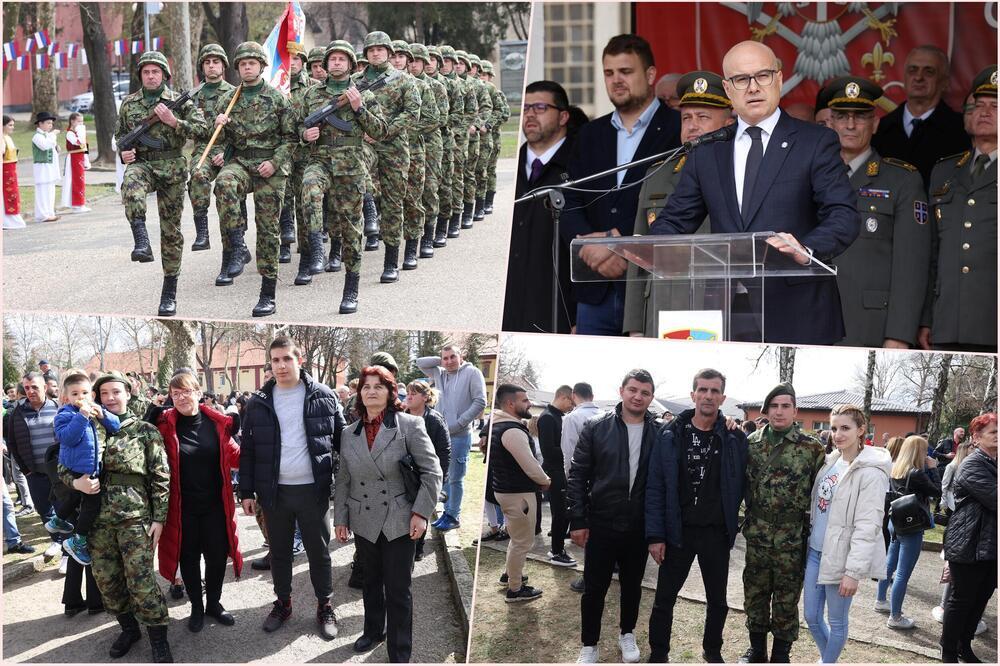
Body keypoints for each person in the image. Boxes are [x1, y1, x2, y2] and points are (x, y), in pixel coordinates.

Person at [650, 40, 858, 344]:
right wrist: (648, 245)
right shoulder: (708, 150)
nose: (753, 87)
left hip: (798, 311)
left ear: (779, 79)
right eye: (741, 79)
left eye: (762, 76)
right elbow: (676, 220)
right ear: (728, 88)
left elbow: (843, 216)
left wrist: (805, 250)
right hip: (726, 314)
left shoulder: (815, 142)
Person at [560, 34, 682, 335]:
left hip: (650, 286)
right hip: (595, 286)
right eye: (609, 73)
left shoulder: (678, 128)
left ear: (650, 75)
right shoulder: (590, 134)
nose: (616, 81)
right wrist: (589, 245)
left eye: (626, 72)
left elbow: (681, 201)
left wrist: (620, 242)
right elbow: (570, 200)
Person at [334, 365, 442, 662]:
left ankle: (399, 650)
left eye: (379, 386)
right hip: (363, 517)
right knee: (370, 581)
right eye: (366, 386)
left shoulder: (409, 425)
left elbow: (432, 472)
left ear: (391, 391)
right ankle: (373, 631)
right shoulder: (348, 432)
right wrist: (340, 518)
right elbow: (344, 478)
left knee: (397, 588)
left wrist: (421, 512)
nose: (371, 391)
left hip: (400, 519)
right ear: (359, 393)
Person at [239, 336, 345, 638]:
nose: (281, 365)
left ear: (300, 360)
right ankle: (283, 603)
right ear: (270, 365)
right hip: (275, 493)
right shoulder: (258, 402)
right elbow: (248, 451)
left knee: (319, 552)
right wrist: (246, 492)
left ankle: (325, 605)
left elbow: (344, 443)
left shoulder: (324, 396)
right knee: (281, 552)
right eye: (275, 360)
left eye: (287, 358)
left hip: (314, 491)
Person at [63, 371, 172, 661]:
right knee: (108, 581)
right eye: (104, 393)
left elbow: (161, 476)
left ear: (127, 394)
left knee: (141, 581)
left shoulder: (144, 431)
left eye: (116, 392)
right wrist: (76, 483)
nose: (110, 398)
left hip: (134, 519)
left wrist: (159, 518)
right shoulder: (85, 424)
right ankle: (129, 629)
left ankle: (158, 636)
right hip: (97, 522)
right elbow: (64, 465)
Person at [819, 76, 932, 349]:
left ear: (876, 123)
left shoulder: (901, 179)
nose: (850, 124)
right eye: (842, 116)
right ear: (830, 122)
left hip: (870, 323)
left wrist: (899, 335)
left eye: (860, 117)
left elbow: (912, 267)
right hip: (814, 318)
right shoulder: (810, 175)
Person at [646, 369, 749, 663]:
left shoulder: (734, 438)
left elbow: (743, 483)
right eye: (703, 390)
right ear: (693, 395)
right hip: (677, 532)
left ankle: (712, 651)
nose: (708, 395)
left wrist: (735, 523)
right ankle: (659, 653)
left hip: (715, 533)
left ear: (722, 398)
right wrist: (655, 535)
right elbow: (655, 485)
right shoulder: (670, 434)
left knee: (717, 601)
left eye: (715, 391)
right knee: (664, 599)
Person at [623, 70, 736, 337]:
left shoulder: (744, 173)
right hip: (662, 306)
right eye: (687, 117)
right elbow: (639, 256)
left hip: (720, 307)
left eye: (703, 117)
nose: (693, 126)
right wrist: (634, 327)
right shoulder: (657, 174)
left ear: (730, 123)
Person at [567, 369, 660, 664]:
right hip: (602, 522)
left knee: (633, 585)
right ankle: (589, 644)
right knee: (595, 587)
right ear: (621, 391)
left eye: (645, 392)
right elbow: (577, 475)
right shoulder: (596, 427)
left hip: (638, 525)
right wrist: (578, 520)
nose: (638, 396)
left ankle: (627, 633)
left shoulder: (659, 432)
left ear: (651, 398)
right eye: (633, 389)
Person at [298, 40, 388, 310]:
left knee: (352, 228)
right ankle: (316, 250)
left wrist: (359, 107)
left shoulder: (364, 94)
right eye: (332, 59)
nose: (336, 63)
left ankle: (351, 290)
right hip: (321, 159)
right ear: (325, 65)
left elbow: (381, 130)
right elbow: (296, 127)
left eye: (341, 59)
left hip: (351, 163)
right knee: (310, 187)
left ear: (350, 64)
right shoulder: (312, 95)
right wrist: (304, 136)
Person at [116, 51, 207, 318]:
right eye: (146, 72)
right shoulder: (129, 103)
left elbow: (202, 130)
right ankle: (141, 241)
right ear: (141, 75)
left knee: (171, 232)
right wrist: (124, 153)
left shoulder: (178, 101)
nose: (151, 76)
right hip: (142, 165)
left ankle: (169, 292)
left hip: (172, 169)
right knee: (130, 182)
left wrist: (173, 121)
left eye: (156, 71)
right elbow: (120, 135)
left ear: (165, 75)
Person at [739, 382, 825, 663]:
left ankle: (780, 655)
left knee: (787, 600)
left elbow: (822, 495)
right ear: (766, 410)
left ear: (795, 411)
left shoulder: (812, 448)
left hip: (792, 538)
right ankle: (757, 650)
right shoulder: (749, 444)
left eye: (785, 406)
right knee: (755, 594)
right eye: (774, 406)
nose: (779, 412)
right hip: (758, 535)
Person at [212, 42, 297, 318]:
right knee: (224, 183)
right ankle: (237, 245)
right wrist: (219, 127)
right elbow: (218, 143)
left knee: (268, 230)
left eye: (252, 63)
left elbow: (290, 139)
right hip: (240, 162)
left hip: (270, 165)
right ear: (237, 69)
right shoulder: (229, 100)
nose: (247, 68)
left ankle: (267, 295)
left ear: (261, 66)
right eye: (243, 64)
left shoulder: (277, 98)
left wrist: (274, 163)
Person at [803, 404, 891, 663]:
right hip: (816, 552)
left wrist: (853, 572)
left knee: (837, 622)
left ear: (861, 430)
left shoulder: (871, 472)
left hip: (842, 558)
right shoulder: (831, 462)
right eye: (833, 428)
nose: (838, 434)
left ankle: (827, 662)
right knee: (811, 617)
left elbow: (869, 525)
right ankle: (829, 659)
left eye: (845, 428)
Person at [154, 371, 241, 633]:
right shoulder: (165, 426)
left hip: (215, 506)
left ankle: (213, 603)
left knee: (216, 558)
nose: (181, 397)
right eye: (175, 393)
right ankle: (196, 607)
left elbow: (236, 457)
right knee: (189, 560)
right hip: (183, 510)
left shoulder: (216, 424)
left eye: (186, 391)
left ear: (198, 393)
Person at [919, 66, 997, 352]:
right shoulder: (944, 172)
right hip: (947, 317)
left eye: (996, 106)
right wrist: (926, 317)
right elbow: (932, 252)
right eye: (977, 106)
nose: (985, 112)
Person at [504, 80, 577, 334]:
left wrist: (579, 314)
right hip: (507, 306)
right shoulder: (510, 168)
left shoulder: (581, 164)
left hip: (556, 308)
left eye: (540, 107)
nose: (530, 115)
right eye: (525, 108)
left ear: (563, 116)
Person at [356, 31, 421, 280]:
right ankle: (370, 209)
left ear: (389, 53)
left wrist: (382, 132)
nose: (376, 53)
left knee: (394, 203)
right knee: (355, 170)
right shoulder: (355, 81)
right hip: (366, 144)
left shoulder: (403, 80)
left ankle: (391, 261)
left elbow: (411, 113)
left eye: (380, 49)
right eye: (371, 49)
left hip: (393, 146)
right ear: (366, 54)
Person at [940, 413, 997, 662]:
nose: (999, 436)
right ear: (976, 437)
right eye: (994, 432)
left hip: (991, 545)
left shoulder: (994, 463)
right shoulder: (973, 464)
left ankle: (965, 645)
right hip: (968, 543)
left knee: (980, 598)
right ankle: (949, 650)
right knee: (962, 599)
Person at [872, 45, 971, 187]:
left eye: (929, 72)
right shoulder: (879, 130)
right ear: (904, 77)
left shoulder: (962, 130)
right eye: (912, 70)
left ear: (945, 82)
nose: (918, 77)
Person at [51, 372, 121, 566]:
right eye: (75, 394)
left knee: (77, 498)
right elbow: (68, 438)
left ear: (92, 395)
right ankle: (78, 540)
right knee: (91, 504)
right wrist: (81, 416)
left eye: (85, 393)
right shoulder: (65, 415)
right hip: (79, 468)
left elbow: (116, 426)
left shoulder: (96, 412)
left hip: (91, 468)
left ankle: (58, 520)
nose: (81, 398)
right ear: (66, 398)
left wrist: (103, 414)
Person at [490, 384, 550, 603]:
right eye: (525, 400)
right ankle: (515, 589)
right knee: (522, 542)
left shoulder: (499, 424)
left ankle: (510, 575)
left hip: (507, 490)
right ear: (510, 404)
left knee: (517, 539)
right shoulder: (512, 430)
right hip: (518, 493)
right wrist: (545, 480)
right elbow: (530, 465)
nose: (530, 403)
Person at [874, 434, 941, 629]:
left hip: (895, 521)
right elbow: (937, 492)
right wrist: (934, 468)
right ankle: (895, 617)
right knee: (903, 572)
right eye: (924, 450)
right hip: (911, 525)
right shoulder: (917, 473)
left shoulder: (895, 469)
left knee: (889, 564)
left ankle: (880, 600)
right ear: (918, 452)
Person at [417, 345, 487, 531]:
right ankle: (447, 512)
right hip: (440, 435)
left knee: (456, 478)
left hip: (459, 435)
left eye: (452, 357)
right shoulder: (439, 372)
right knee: (444, 475)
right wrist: (442, 362)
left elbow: (480, 401)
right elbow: (419, 362)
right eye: (445, 358)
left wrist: (459, 423)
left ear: (461, 356)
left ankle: (453, 515)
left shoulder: (472, 373)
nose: (448, 361)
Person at [5, 372, 63, 562]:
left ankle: (69, 551)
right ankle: (57, 540)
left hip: (60, 473)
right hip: (35, 474)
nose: (30, 391)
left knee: (65, 510)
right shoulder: (17, 413)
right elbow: (12, 444)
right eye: (27, 388)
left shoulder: (58, 408)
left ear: (45, 387)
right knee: (44, 510)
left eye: (34, 387)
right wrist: (26, 470)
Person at [188, 44, 237, 256]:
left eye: (215, 62)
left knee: (232, 186)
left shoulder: (235, 93)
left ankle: (238, 239)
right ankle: (202, 233)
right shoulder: (193, 96)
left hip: (231, 148)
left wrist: (226, 153)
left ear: (223, 66)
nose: (211, 66)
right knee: (198, 175)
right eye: (207, 63)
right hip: (204, 149)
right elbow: (191, 129)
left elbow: (243, 129)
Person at [405, 379, 451, 561]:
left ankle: (418, 546)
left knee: (421, 508)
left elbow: (444, 451)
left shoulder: (434, 420)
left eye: (414, 393)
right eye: (408, 392)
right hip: (405, 473)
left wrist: (440, 479)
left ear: (425, 397)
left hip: (426, 474)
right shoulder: (401, 415)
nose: (409, 396)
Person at [536, 384, 575, 566]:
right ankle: (556, 551)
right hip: (554, 471)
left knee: (564, 513)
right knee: (559, 513)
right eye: (571, 403)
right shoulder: (547, 418)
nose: (572, 407)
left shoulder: (561, 417)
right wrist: (571, 452)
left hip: (562, 469)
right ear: (563, 397)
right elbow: (548, 450)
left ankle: (558, 548)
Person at [31, 111, 61, 222]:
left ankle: (49, 212)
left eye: (51, 123)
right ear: (40, 124)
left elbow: (51, 148)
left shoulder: (47, 136)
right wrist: (53, 135)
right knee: (42, 192)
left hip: (50, 168)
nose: (50, 125)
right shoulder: (37, 137)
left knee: (50, 191)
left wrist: (56, 148)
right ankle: (42, 215)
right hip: (42, 168)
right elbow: (44, 146)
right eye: (48, 123)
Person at [61, 112, 91, 212]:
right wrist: (81, 132)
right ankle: (77, 204)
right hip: (74, 157)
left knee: (81, 180)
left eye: (82, 121)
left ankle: (80, 203)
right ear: (72, 121)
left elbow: (85, 146)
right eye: (78, 121)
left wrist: (87, 160)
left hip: (80, 157)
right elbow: (78, 142)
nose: (81, 124)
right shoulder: (70, 133)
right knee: (76, 180)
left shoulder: (80, 132)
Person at [3, 114, 26, 228]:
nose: (12, 127)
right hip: (6, 171)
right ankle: (8, 220)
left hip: (11, 170)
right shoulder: (2, 139)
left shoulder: (8, 137)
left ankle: (12, 218)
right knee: (9, 194)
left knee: (13, 194)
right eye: (10, 125)